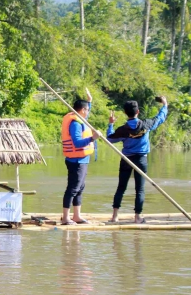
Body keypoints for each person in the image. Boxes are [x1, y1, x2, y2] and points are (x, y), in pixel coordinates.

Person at [106, 96, 168, 224]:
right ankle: (137, 217)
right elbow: (160, 118)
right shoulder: (146, 124)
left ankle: (114, 216)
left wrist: (111, 124)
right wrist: (165, 104)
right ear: (138, 111)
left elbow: (110, 139)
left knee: (121, 187)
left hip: (126, 160)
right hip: (141, 160)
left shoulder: (123, 130)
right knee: (139, 189)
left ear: (125, 113)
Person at [61, 90, 100, 225]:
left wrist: (90, 100)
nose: (88, 111)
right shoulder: (75, 123)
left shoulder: (81, 118)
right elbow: (77, 142)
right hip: (75, 161)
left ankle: (76, 215)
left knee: (80, 188)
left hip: (83, 159)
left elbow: (86, 112)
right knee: (73, 188)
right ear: (82, 110)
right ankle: (66, 218)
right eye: (87, 109)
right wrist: (92, 138)